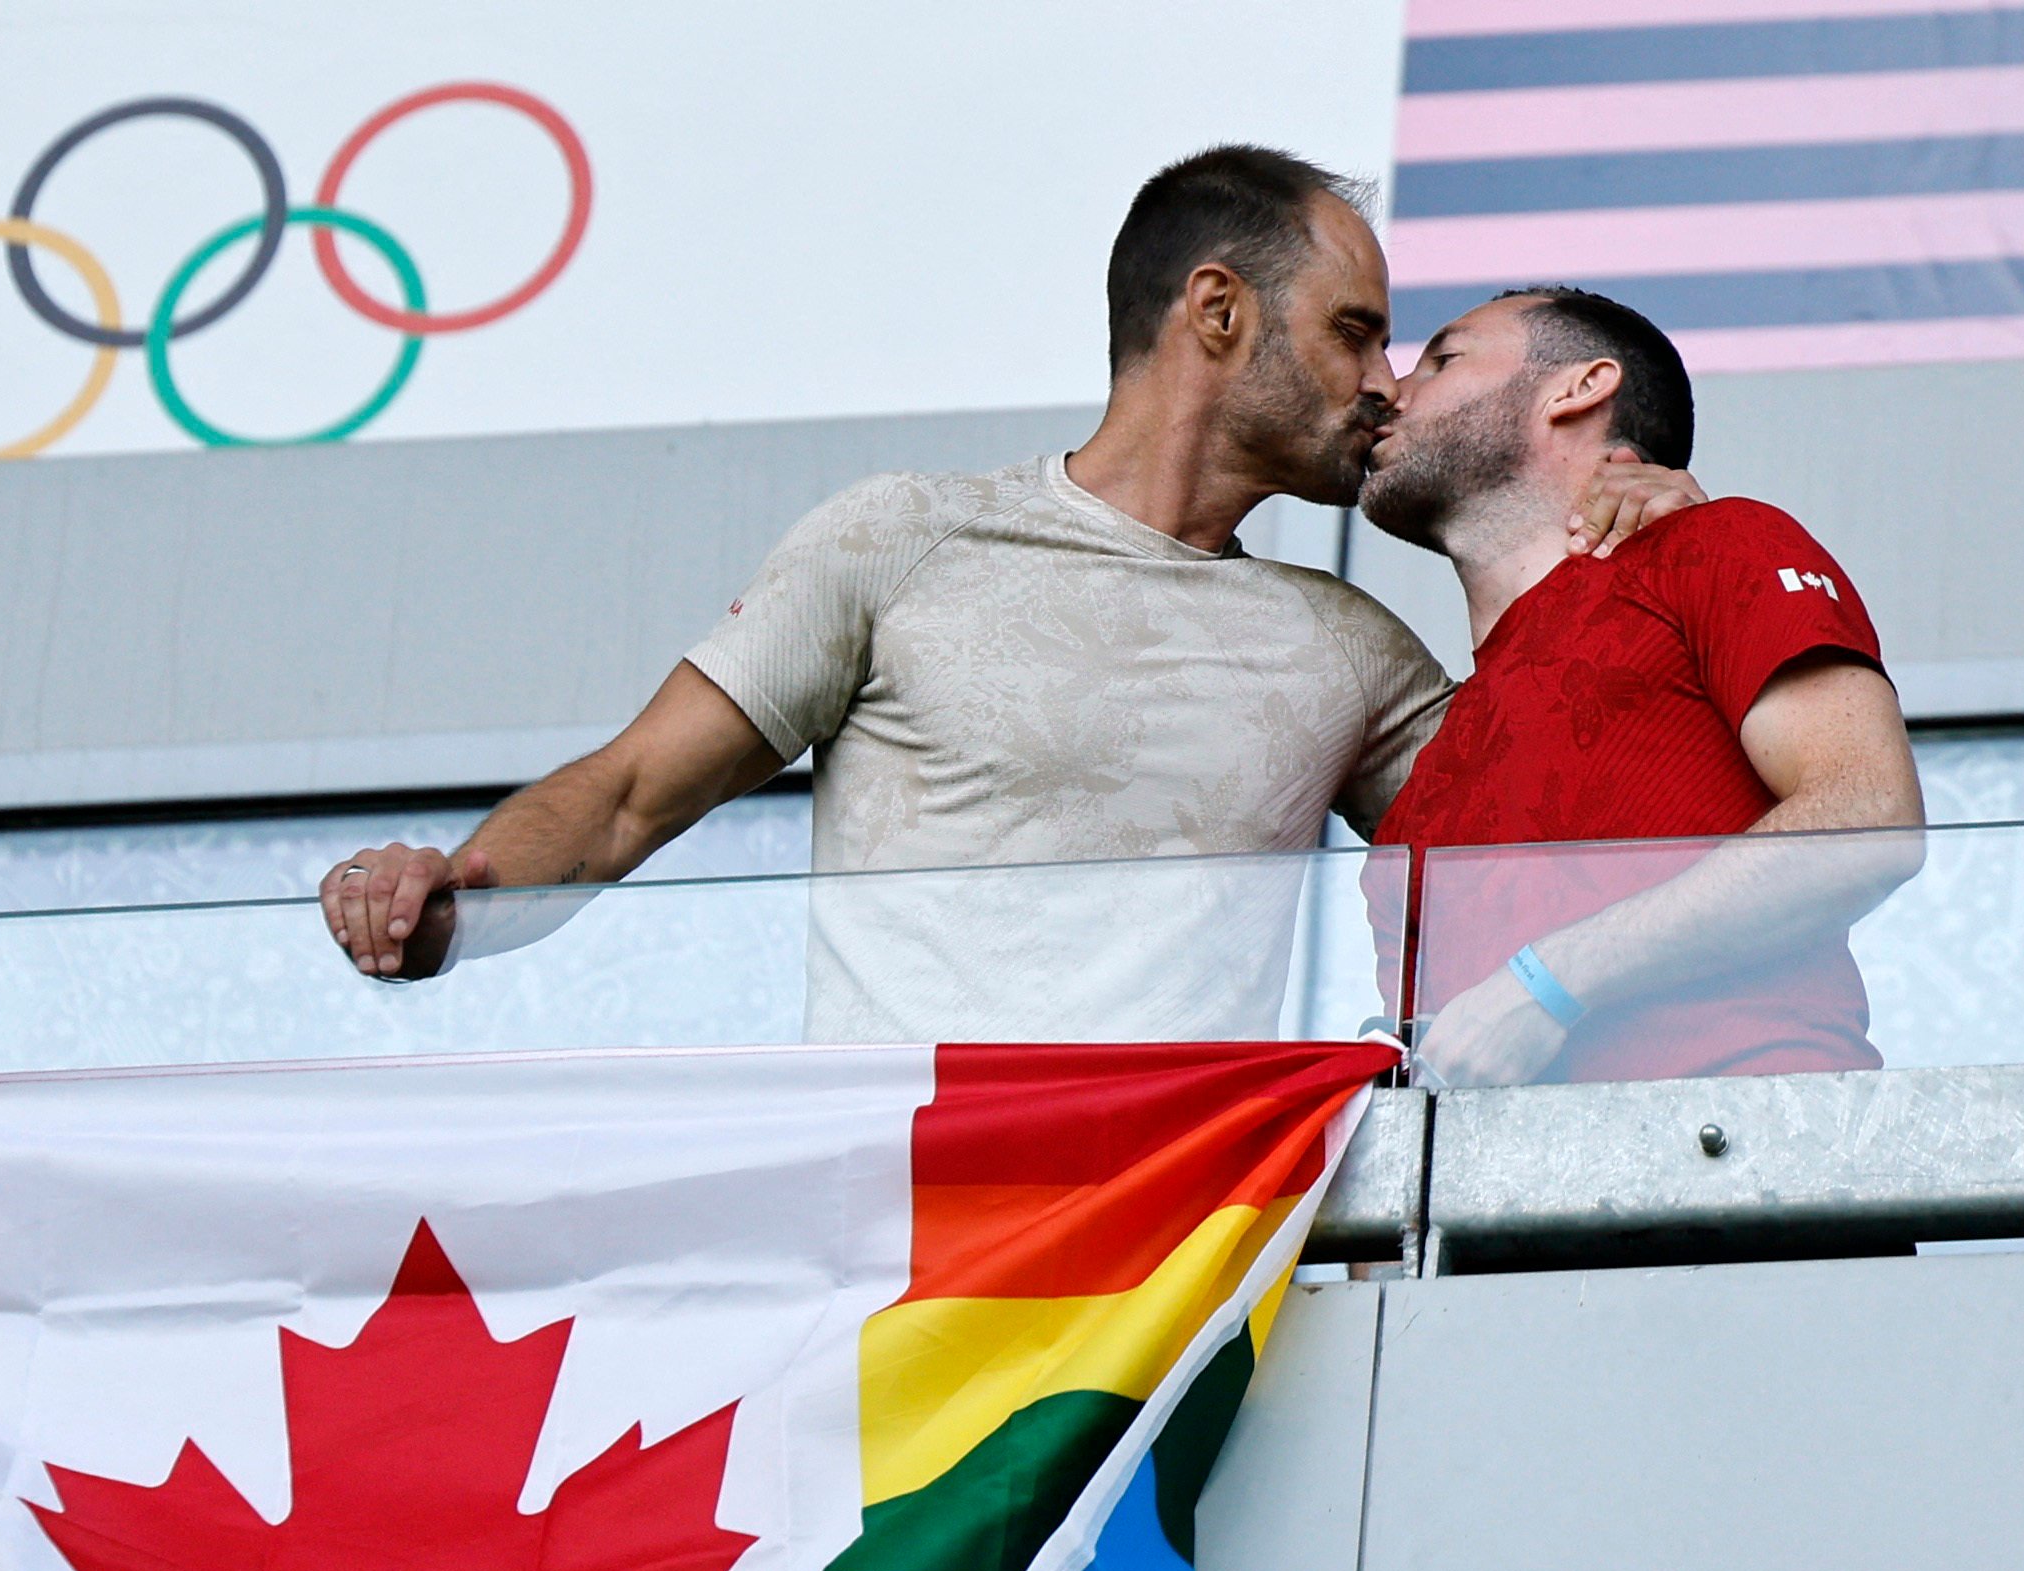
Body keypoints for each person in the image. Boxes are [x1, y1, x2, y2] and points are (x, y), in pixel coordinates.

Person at [316, 145, 1698, 1040]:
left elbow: (1563, 853)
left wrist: (1654, 542)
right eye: (1353, 333)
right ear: (1217, 314)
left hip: (1159, 1303)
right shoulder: (905, 537)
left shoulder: (1356, 652)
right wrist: (456, 890)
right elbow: (622, 798)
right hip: (895, 1256)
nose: (1384, 386)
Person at [1360, 287, 1924, 1086]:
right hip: (1515, 1200)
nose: (1389, 390)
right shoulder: (1419, 799)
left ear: (1580, 387)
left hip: (1748, 1160)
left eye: (1442, 359)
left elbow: (1869, 818)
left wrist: (1549, 984)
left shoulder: (1716, 543)